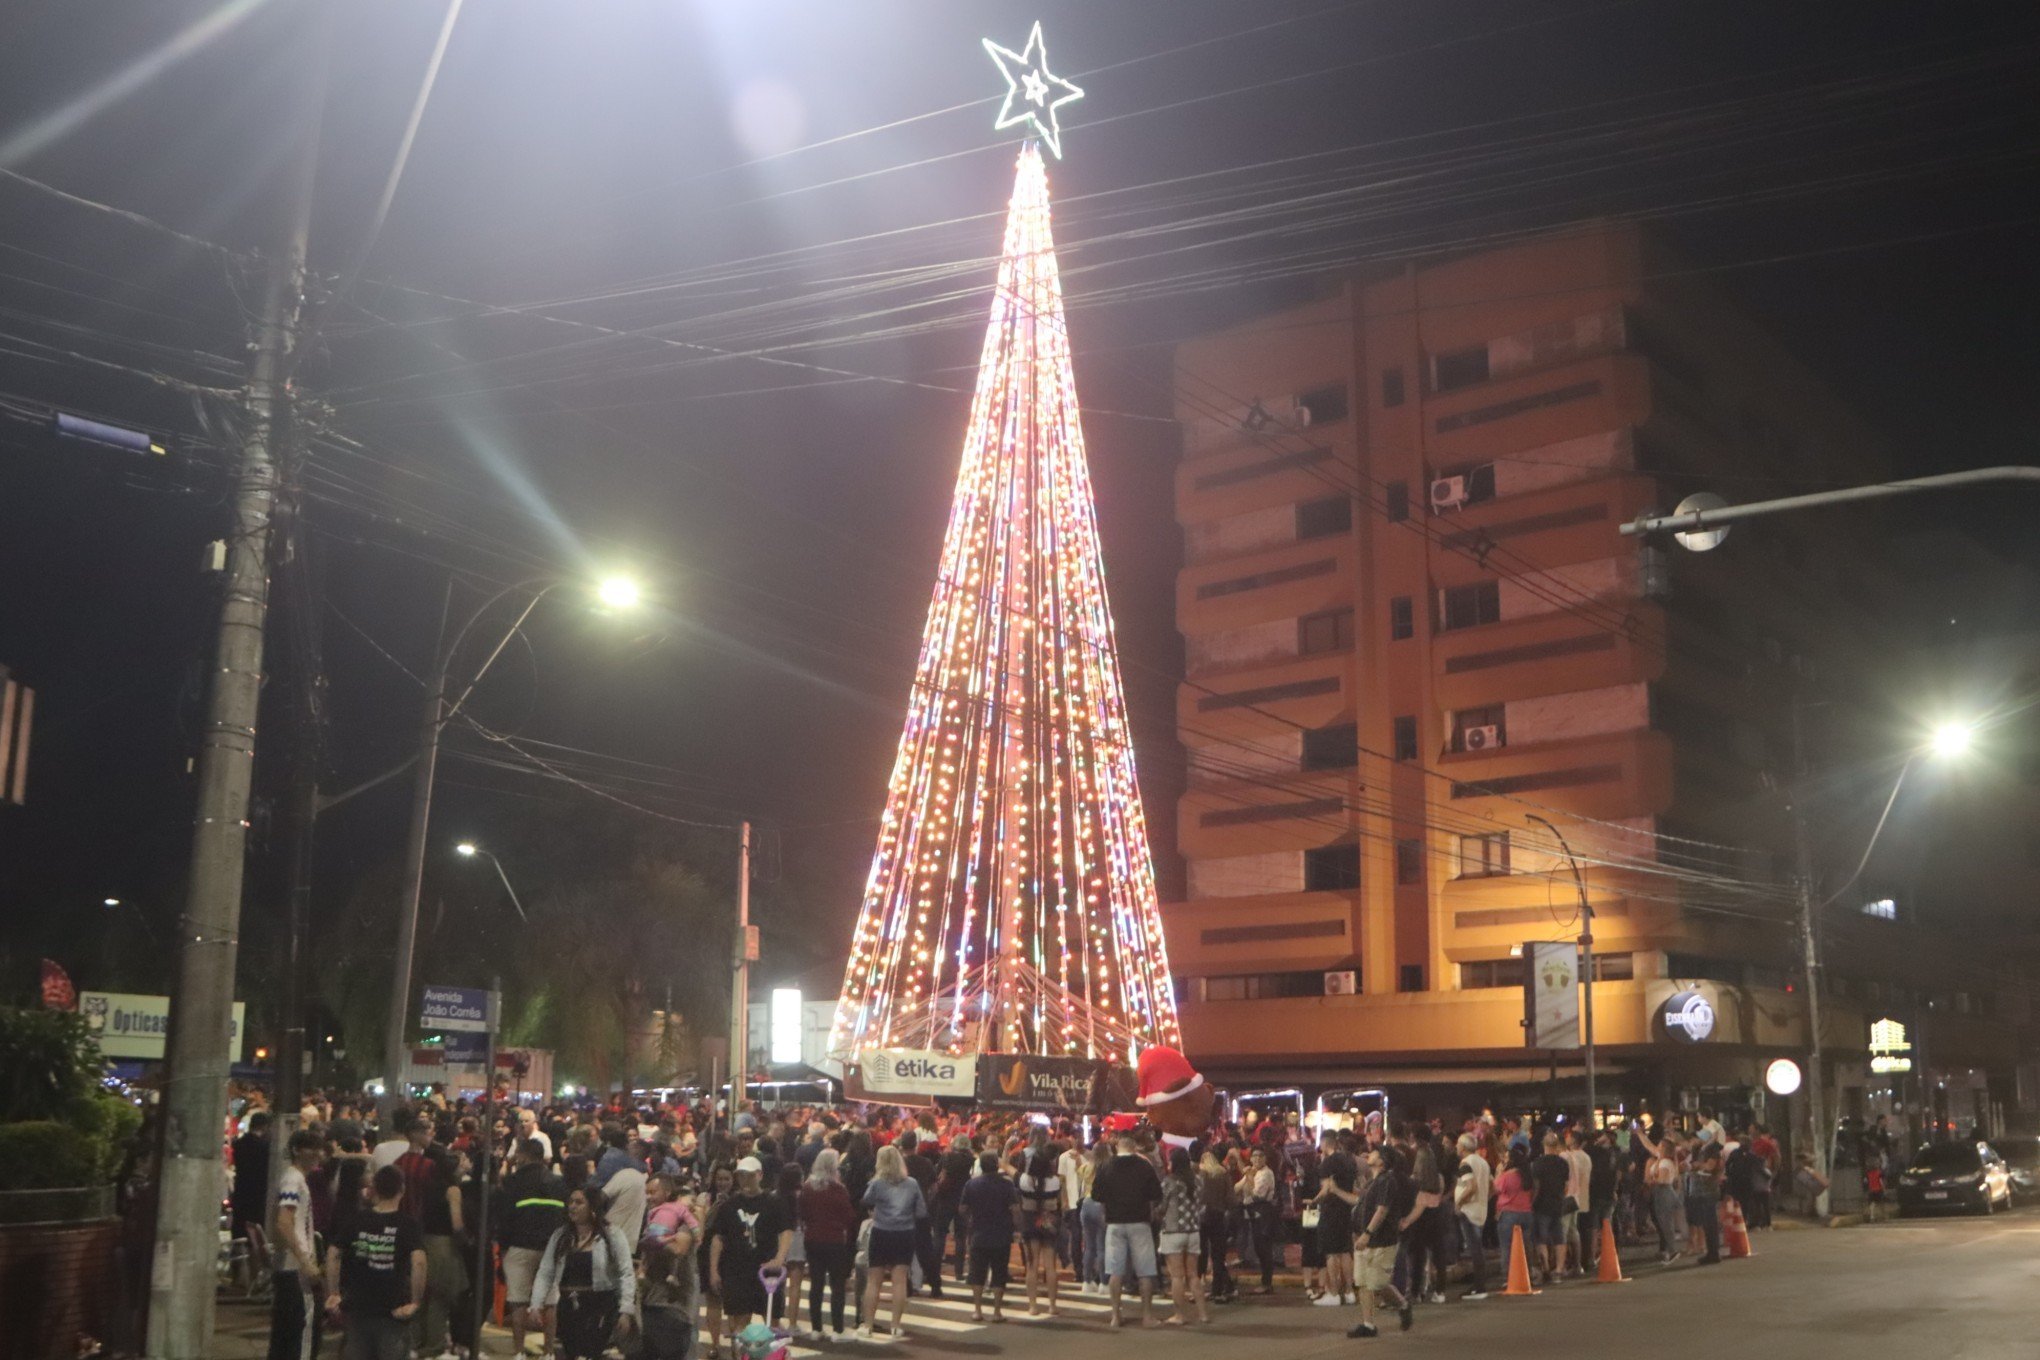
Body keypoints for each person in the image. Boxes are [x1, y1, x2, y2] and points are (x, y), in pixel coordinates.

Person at [325, 1164, 427, 1360]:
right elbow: (419, 1263)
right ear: (402, 1190)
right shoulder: (407, 1224)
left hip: (357, 1307)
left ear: (375, 1189)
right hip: (393, 1310)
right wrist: (415, 1301)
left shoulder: (357, 1219)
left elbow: (333, 1252)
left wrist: (334, 1292)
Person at [528, 1186, 638, 1360]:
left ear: (592, 1207)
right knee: (570, 1353)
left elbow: (626, 1273)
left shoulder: (612, 1236)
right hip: (568, 1307)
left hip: (600, 1307)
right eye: (570, 1202)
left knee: (591, 1353)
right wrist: (536, 1305)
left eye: (579, 1202)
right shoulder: (561, 1236)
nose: (572, 1206)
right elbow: (545, 1272)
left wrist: (626, 1310)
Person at [394, 1111, 465, 1359]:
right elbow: (457, 1224)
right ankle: (433, 1345)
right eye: (426, 1130)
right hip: (433, 1239)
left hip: (406, 1235)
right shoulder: (432, 1173)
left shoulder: (399, 1164)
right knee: (437, 1296)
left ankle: (412, 1343)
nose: (430, 1135)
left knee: (414, 1292)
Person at [498, 1137, 567, 1359]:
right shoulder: (558, 1183)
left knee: (518, 1301)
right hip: (552, 1249)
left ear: (524, 1156)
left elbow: (505, 1219)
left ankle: (519, 1352)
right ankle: (548, 1352)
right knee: (550, 1302)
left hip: (520, 1247)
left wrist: (503, 1247)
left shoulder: (513, 1181)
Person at [709, 1156, 793, 1338]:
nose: (745, 1180)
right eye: (741, 1176)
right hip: (736, 1270)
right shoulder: (729, 1205)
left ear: (759, 1175)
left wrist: (780, 1258)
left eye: (749, 1176)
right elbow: (718, 1237)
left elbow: (786, 1231)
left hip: (766, 1269)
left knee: (771, 1320)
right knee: (739, 1324)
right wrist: (714, 1270)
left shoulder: (773, 1202)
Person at [1093, 1131, 1163, 1329]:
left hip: (1114, 1223)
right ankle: (1147, 1316)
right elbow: (1155, 1194)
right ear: (1134, 1148)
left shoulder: (1106, 1166)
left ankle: (1116, 1315)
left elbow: (1098, 1195)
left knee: (1115, 1271)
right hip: (1140, 1221)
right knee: (1145, 1271)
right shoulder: (1144, 1166)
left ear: (1117, 1147)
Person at [1345, 1145, 1413, 1339]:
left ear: (1382, 1160)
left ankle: (1403, 1304)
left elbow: (1381, 1210)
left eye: (1374, 1153)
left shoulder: (1386, 1181)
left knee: (1378, 1282)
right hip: (1363, 1239)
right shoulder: (1371, 1182)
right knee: (1363, 1282)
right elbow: (1359, 1204)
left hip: (1381, 1240)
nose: (1369, 1154)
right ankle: (1368, 1324)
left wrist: (1367, 1233)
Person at [858, 1143, 925, 1340]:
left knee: (874, 1282)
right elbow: (921, 1211)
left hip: (881, 1232)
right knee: (899, 1282)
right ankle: (895, 1326)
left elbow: (865, 1201)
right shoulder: (912, 1183)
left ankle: (868, 1324)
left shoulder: (877, 1184)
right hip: (904, 1234)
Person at [269, 1129, 326, 1360]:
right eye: (310, 1149)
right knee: (302, 1333)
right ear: (295, 1150)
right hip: (297, 1269)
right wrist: (305, 1260)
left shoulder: (293, 1178)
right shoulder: (294, 1180)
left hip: (288, 1267)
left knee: (284, 1335)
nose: (316, 1154)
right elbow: (284, 1221)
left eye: (318, 1149)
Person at [799, 1148, 856, 1339]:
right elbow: (849, 1216)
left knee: (816, 1284)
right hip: (834, 1240)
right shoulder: (838, 1189)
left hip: (812, 1239)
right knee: (837, 1285)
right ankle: (838, 1329)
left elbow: (803, 1213)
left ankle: (816, 1328)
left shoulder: (808, 1187)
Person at [960, 1152, 1020, 1322]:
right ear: (996, 1165)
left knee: (977, 1272)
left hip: (978, 1232)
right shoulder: (1006, 1185)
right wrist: (1016, 1227)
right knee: (999, 1273)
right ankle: (997, 1311)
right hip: (1001, 1233)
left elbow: (963, 1209)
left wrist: (970, 1219)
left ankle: (978, 1310)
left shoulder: (971, 1184)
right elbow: (1015, 1209)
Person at [1158, 1146, 1210, 1325]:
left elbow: (1161, 1207)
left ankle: (1180, 1315)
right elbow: (1201, 1201)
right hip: (1193, 1230)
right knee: (1193, 1275)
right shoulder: (1197, 1180)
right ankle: (1203, 1314)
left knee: (1177, 1276)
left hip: (1173, 1231)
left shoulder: (1169, 1182)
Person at [694, 1162, 737, 1358]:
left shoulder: (738, 1199)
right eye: (719, 1179)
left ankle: (736, 1344)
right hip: (708, 1252)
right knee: (713, 1300)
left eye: (727, 1179)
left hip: (732, 1253)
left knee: (734, 1302)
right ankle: (714, 1344)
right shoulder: (705, 1198)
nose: (722, 1182)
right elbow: (701, 1225)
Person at [1015, 1146, 1063, 1316]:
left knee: (1032, 1265)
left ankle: (1033, 1305)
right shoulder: (1055, 1181)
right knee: (1050, 1266)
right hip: (1048, 1222)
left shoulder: (1025, 1179)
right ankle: (1052, 1305)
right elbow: (1058, 1203)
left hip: (1030, 1221)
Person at [1313, 1134, 1359, 1308]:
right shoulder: (1349, 1161)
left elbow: (1327, 1190)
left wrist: (1314, 1201)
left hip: (1331, 1209)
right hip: (1346, 1209)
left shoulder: (1327, 1163)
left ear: (1325, 1143)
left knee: (1332, 1253)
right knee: (1345, 1251)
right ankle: (1349, 1292)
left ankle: (1333, 1293)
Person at [1196, 1145, 1237, 1304]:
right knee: (1218, 1255)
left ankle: (1198, 1288)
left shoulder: (1200, 1175)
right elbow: (1231, 1199)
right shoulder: (1223, 1174)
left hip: (1201, 1217)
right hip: (1218, 1216)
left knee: (1201, 1254)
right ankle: (1217, 1290)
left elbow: (1197, 1196)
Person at [1452, 1132, 1490, 1300]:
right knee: (1477, 1248)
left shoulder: (1465, 1164)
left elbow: (1471, 1186)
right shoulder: (1483, 1162)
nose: (1456, 1147)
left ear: (1464, 1147)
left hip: (1469, 1211)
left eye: (1458, 1144)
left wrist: (1459, 1202)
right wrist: (1484, 1198)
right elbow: (1493, 1186)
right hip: (1481, 1210)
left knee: (1475, 1249)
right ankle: (1479, 1284)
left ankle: (1479, 1287)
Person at [1529, 1132, 1570, 1285]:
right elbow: (1566, 1186)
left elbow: (1536, 1187)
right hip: (1558, 1203)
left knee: (1541, 1239)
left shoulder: (1537, 1164)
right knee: (1559, 1238)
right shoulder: (1563, 1163)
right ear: (1557, 1145)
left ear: (1544, 1145)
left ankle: (1545, 1267)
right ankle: (1559, 1269)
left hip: (1541, 1205)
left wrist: (1532, 1203)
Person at [771, 1164, 808, 1329]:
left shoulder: (774, 1196)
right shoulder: (802, 1196)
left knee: (777, 1283)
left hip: (778, 1238)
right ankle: (793, 1323)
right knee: (795, 1284)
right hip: (797, 1236)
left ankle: (774, 1321)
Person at [1239, 1145, 1278, 1294]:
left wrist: (1247, 1180)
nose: (1257, 1159)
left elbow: (1256, 1195)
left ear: (1265, 1159)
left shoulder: (1265, 1174)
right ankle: (1265, 1281)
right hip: (1253, 1212)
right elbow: (1239, 1189)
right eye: (1254, 1156)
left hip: (1263, 1212)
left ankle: (1267, 1282)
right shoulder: (1253, 1172)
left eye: (1260, 1156)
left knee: (1263, 1248)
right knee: (1258, 1246)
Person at [1493, 1144, 1534, 1284]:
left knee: (1507, 1246)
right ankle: (1527, 1273)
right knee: (1526, 1246)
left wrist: (1499, 1172)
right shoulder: (1527, 1175)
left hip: (1509, 1213)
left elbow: (1495, 1188)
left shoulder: (1506, 1176)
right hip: (1526, 1212)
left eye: (1506, 1158)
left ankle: (1508, 1276)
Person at [1079, 1141, 1111, 1295]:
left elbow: (1078, 1172)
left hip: (1086, 1204)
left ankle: (1087, 1281)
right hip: (1102, 1204)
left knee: (1089, 1246)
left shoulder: (1087, 1167)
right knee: (1102, 1246)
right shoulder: (1108, 1168)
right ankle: (1104, 1282)